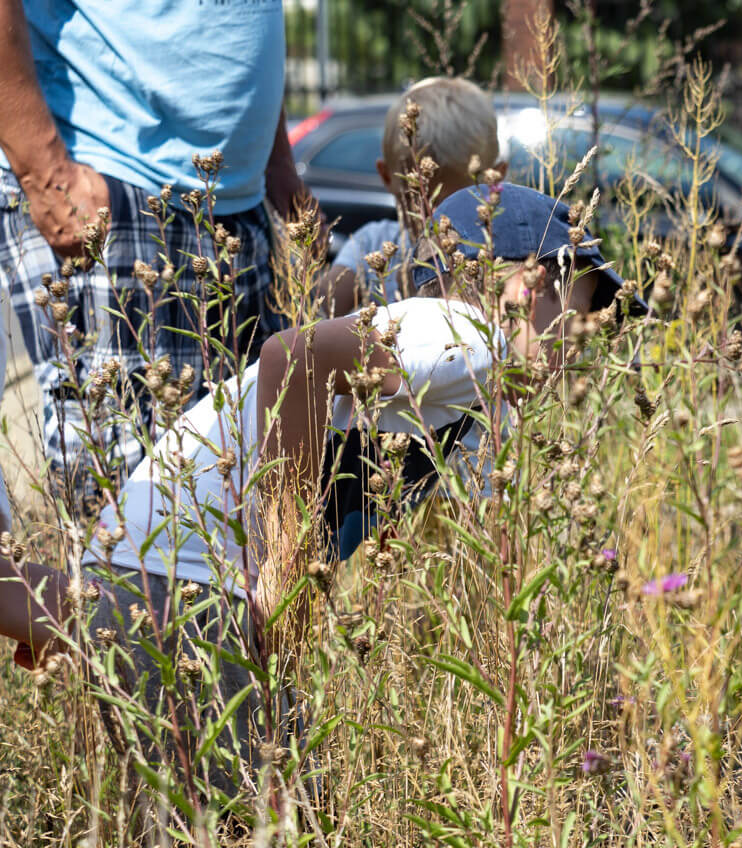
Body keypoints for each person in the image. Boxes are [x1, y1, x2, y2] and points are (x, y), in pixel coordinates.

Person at [0, 182, 636, 803]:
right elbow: (294, 357)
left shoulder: (466, 386)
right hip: (206, 580)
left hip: (161, 560)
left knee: (123, 644)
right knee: (273, 811)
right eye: (577, 319)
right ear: (531, 286)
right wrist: (287, 553)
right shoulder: (470, 336)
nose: (577, 350)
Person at [0, 0, 307, 495]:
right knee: (137, 528)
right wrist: (45, 171)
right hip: (114, 189)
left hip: (239, 206)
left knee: (252, 510)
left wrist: (278, 171)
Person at [320, 77, 505, 317]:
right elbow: (314, 319)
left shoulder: (504, 253)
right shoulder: (373, 244)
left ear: (495, 179)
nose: (436, 219)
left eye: (459, 203)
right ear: (387, 177)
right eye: (417, 197)